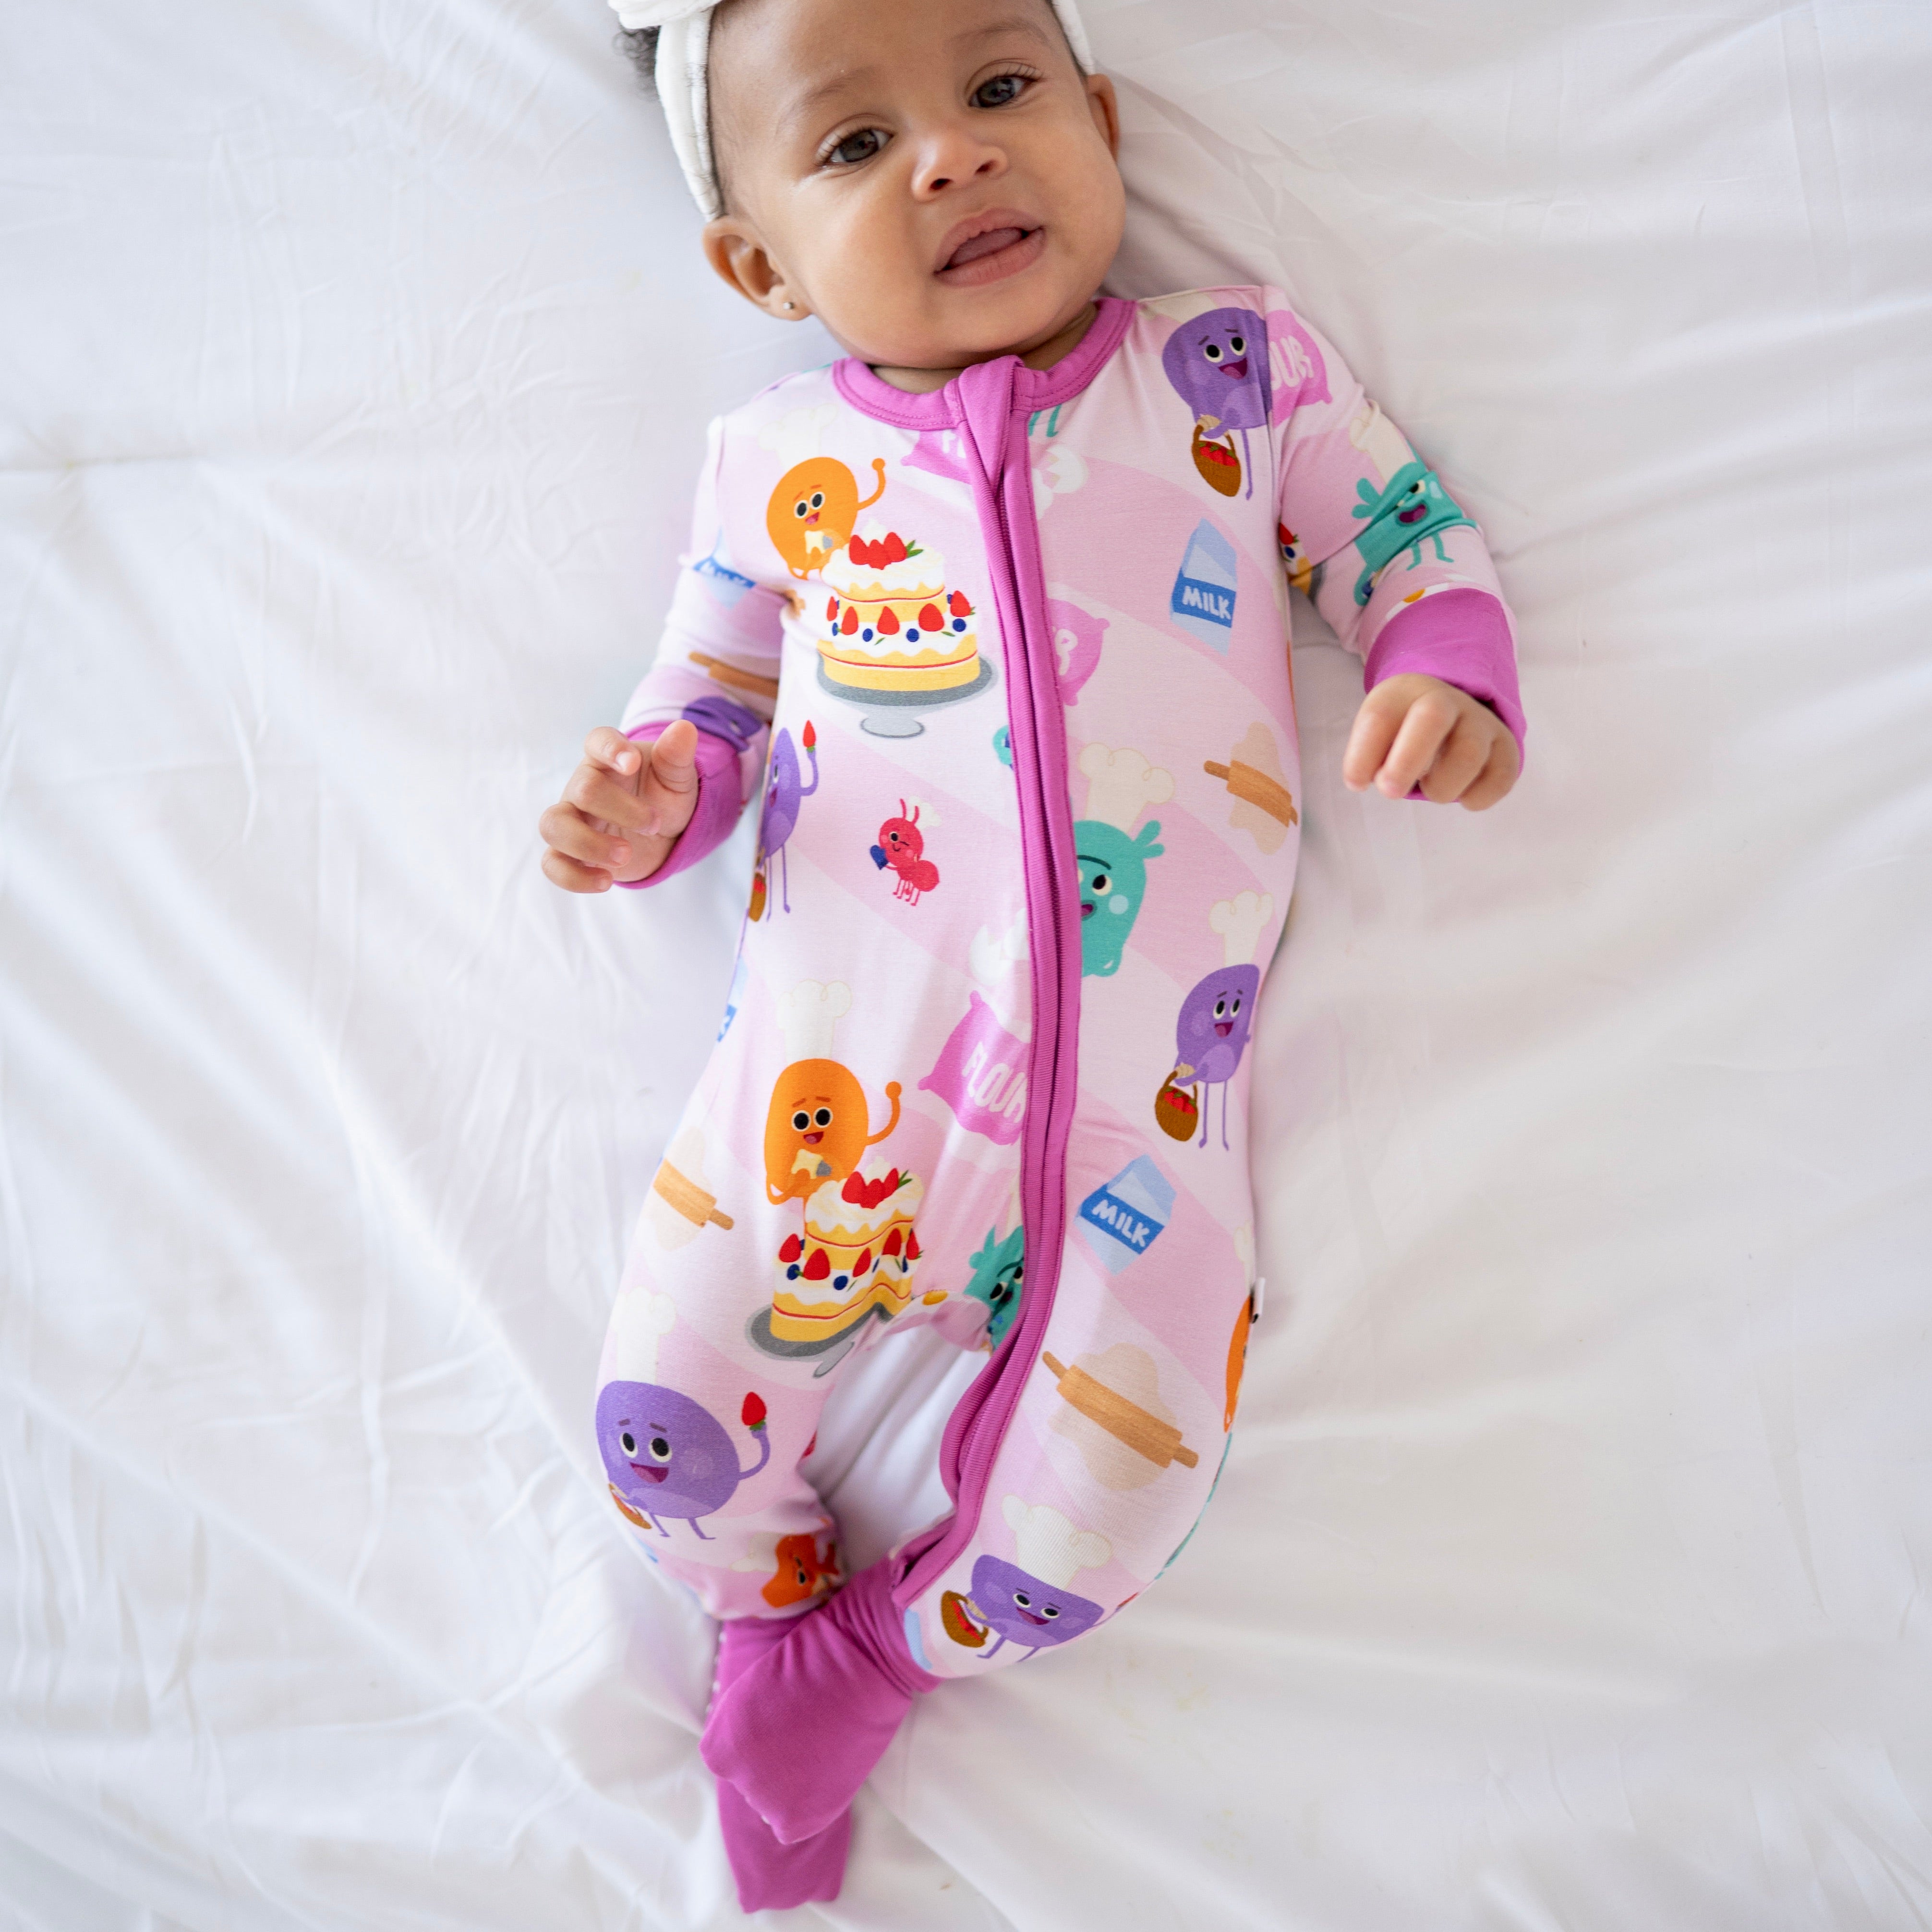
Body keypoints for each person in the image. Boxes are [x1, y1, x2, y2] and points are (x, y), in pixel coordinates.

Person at [538, 0, 1525, 1906]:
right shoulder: (780, 460)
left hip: (1136, 1145)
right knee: (654, 1425)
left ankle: (872, 1659)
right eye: (850, 147)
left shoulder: (1230, 375)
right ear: (757, 264)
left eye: (1000, 93)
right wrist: (646, 795)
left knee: (1108, 1520)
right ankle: (766, 1611)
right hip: (812, 1099)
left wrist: (1442, 666)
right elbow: (705, 706)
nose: (952, 155)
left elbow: (1406, 539)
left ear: (1105, 122)